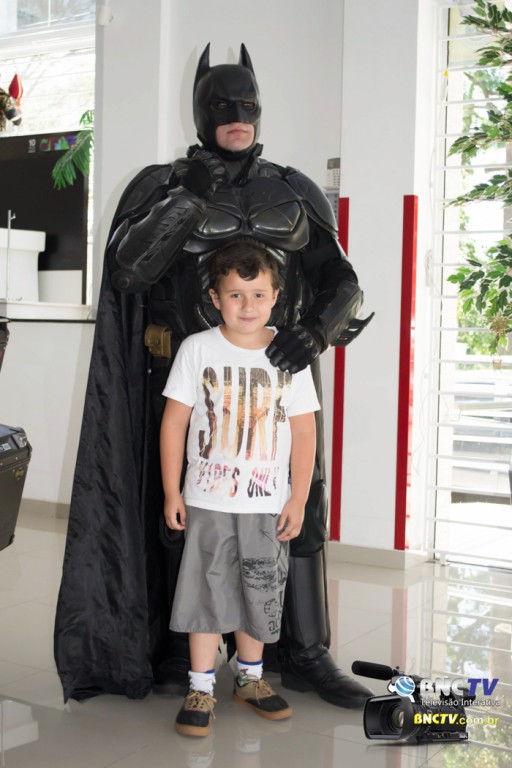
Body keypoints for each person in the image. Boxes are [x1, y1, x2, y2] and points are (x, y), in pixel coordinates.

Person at [54, 43, 373, 708]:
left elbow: (342, 281)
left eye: (247, 103)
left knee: (299, 503)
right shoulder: (161, 185)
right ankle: (179, 646)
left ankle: (305, 650)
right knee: (185, 506)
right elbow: (129, 273)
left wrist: (315, 331)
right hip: (188, 368)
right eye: (221, 104)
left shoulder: (293, 189)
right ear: (199, 112)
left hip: (281, 370)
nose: (236, 115)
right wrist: (184, 201)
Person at [162, 240, 319, 736]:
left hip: (267, 503)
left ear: (275, 297)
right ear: (215, 298)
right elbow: (174, 423)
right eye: (235, 295)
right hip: (207, 499)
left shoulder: (290, 355)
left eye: (258, 295)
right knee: (206, 591)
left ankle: (250, 678)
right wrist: (172, 492)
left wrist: (299, 497)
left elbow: (304, 432)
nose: (247, 306)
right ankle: (201, 686)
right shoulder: (197, 349)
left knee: (259, 591)